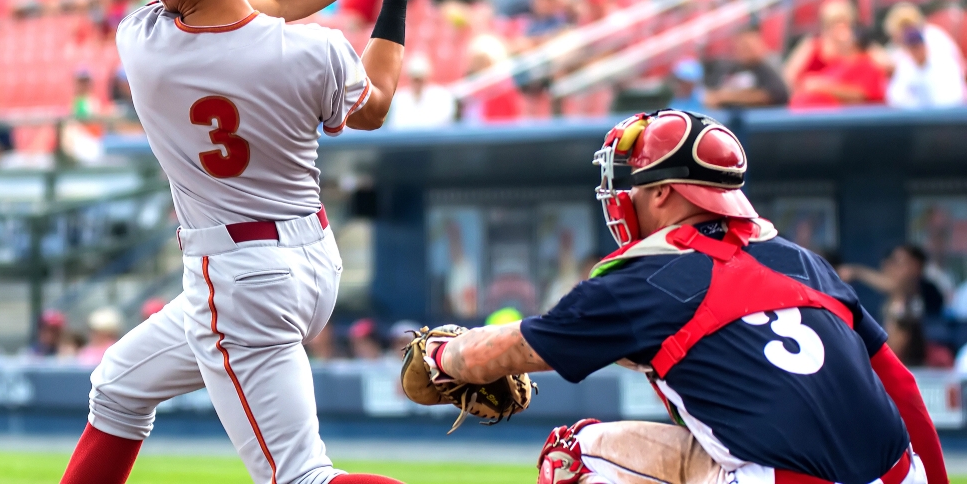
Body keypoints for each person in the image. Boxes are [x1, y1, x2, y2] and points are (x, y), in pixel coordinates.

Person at [59, 0, 472, 484]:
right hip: (308, 264)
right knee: (118, 387)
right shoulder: (315, 51)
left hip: (239, 280)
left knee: (300, 476)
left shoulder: (142, 42)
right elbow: (374, 102)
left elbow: (265, 1)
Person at [405, 109, 947, 484]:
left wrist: (440, 357)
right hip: (903, 473)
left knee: (573, 455)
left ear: (663, 193)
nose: (625, 198)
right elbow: (900, 385)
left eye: (635, 185)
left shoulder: (646, 281)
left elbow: (502, 353)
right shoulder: (804, 262)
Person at [785, 0, 887, 109]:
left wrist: (821, 86)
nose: (840, 28)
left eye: (845, 24)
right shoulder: (813, 46)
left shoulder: (861, 54)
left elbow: (884, 69)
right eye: (835, 23)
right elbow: (791, 77)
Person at [882, 3, 967, 109]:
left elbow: (953, 91)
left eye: (907, 25)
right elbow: (895, 98)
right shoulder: (901, 54)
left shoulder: (935, 39)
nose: (915, 49)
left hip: (952, 110)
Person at [840, 245, 945, 323]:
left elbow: (897, 287)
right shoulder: (889, 300)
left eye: (898, 263)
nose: (891, 267)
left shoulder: (928, 292)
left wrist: (858, 273)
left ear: (916, 266)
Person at [705, 27, 790, 107]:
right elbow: (711, 96)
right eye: (742, 45)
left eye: (749, 46)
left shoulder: (766, 68)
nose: (745, 50)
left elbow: (775, 95)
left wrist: (729, 97)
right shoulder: (728, 68)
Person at [386, 54, 456, 129]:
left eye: (420, 78)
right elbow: (395, 125)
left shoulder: (442, 96)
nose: (417, 83)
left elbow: (441, 124)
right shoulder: (400, 99)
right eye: (415, 79)